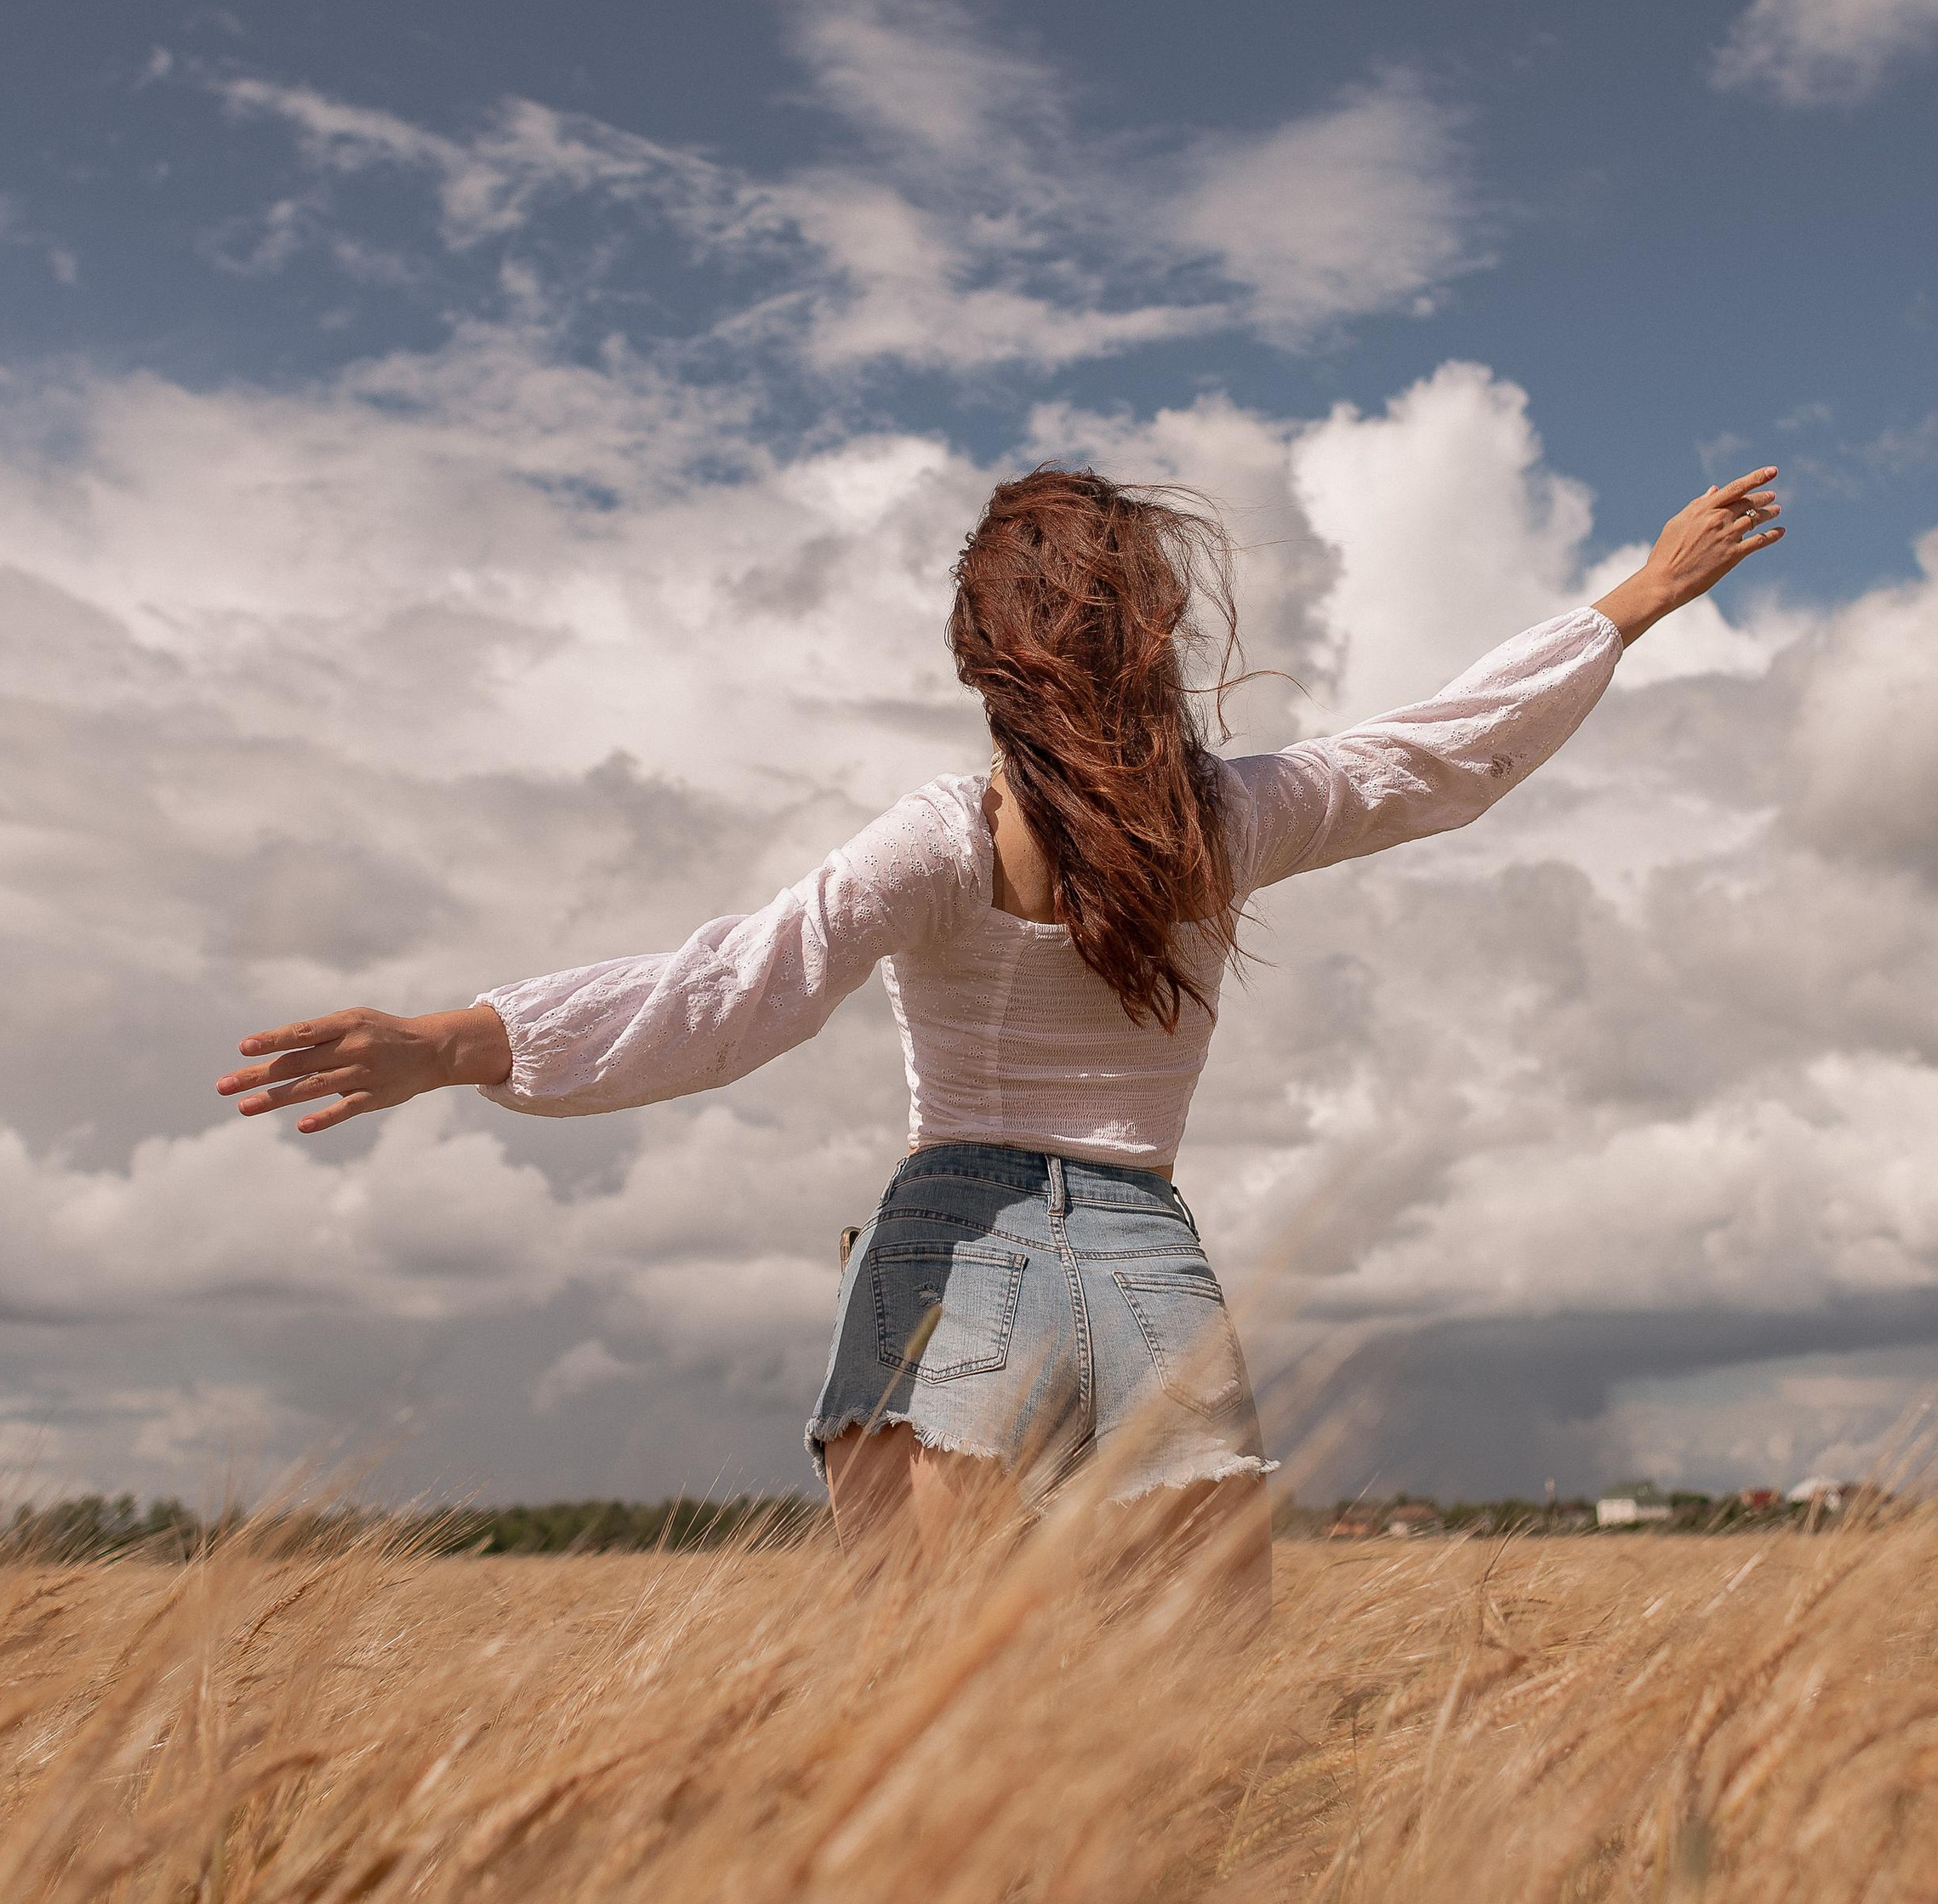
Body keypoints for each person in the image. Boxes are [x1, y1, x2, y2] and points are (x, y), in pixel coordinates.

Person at [215, 461, 1781, 1612]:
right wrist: (1632, 599)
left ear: (983, 662)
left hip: (943, 1256)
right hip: (1141, 1261)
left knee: (924, 1727)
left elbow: (730, 992)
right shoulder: (1229, 820)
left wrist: (464, 1039)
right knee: (1195, 1720)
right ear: (1157, 637)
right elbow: (1438, 759)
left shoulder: (941, 841)